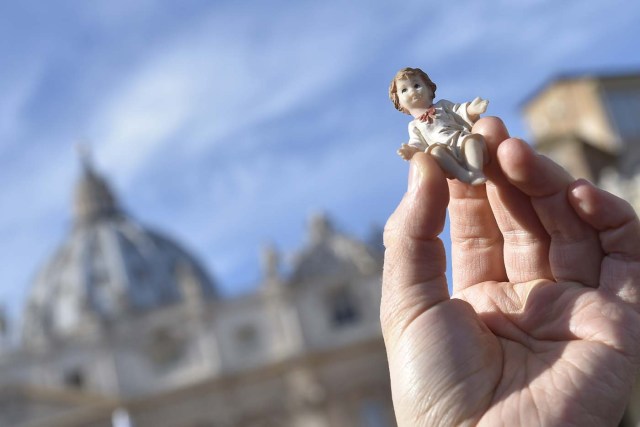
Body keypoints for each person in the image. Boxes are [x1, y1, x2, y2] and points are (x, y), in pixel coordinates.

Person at [381, 117, 640, 426]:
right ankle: (467, 171)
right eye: (406, 90)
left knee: (479, 143)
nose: (414, 93)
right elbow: (413, 143)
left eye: (417, 86)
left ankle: (472, 171)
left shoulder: (444, 112)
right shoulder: (416, 127)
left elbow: (460, 113)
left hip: (462, 149)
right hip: (442, 153)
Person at [389, 67, 489, 185]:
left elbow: (458, 111)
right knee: (435, 152)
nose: (412, 91)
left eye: (416, 85)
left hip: (460, 139)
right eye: (404, 90)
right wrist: (412, 151)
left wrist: (471, 109)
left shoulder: (443, 105)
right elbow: (417, 142)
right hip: (445, 153)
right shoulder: (414, 125)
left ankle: (475, 172)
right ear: (399, 103)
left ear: (429, 89)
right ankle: (463, 174)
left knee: (471, 141)